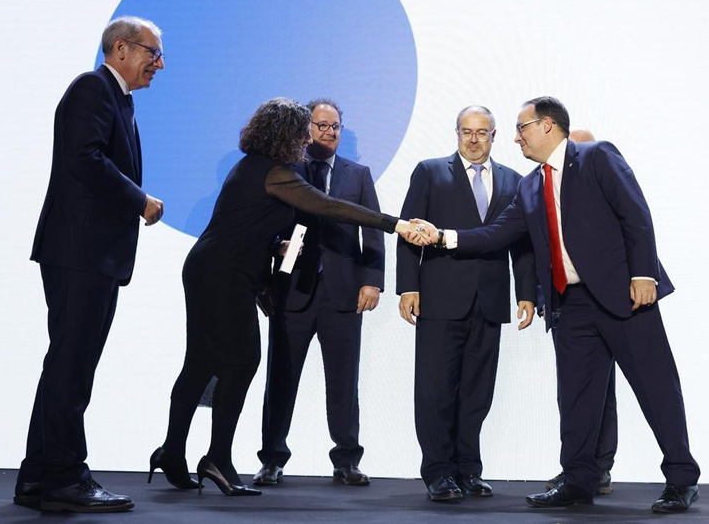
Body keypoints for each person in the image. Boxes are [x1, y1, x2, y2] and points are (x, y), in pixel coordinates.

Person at [410, 97, 701, 513]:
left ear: (547, 126)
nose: (515, 137)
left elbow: (635, 214)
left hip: (626, 295)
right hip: (572, 305)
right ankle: (579, 480)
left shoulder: (597, 156)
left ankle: (681, 478)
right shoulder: (530, 185)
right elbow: (495, 234)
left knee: (656, 388)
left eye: (521, 127)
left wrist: (644, 275)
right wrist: (442, 236)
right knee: (577, 397)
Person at [152, 97, 412, 498]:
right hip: (223, 275)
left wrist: (276, 251)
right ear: (286, 134)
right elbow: (325, 205)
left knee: (202, 363)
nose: (309, 138)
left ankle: (173, 452)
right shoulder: (274, 172)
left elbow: (251, 227)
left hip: (215, 269)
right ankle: (216, 459)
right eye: (302, 130)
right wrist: (395, 224)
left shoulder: (258, 168)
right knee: (242, 363)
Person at [16, 16, 165, 513]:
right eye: (152, 52)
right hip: (80, 252)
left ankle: (38, 477)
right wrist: (140, 199)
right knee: (72, 366)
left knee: (65, 364)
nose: (158, 63)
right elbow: (85, 159)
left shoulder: (116, 97)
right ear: (120, 48)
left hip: (89, 254)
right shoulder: (93, 88)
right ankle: (65, 476)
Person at [396, 106, 537, 501]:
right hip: (439, 299)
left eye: (482, 132)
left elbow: (522, 244)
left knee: (477, 392)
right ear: (456, 134)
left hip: (489, 302)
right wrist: (408, 287)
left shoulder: (514, 180)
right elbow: (409, 232)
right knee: (436, 390)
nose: (473, 140)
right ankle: (439, 472)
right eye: (466, 132)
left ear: (494, 136)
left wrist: (527, 292)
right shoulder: (430, 171)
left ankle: (467, 469)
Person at [253, 99, 383, 487]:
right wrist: (267, 270)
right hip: (292, 291)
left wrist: (372, 280)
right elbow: (264, 228)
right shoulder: (285, 173)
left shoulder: (358, 174)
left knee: (344, 381)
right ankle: (272, 459)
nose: (329, 132)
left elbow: (373, 232)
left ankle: (347, 460)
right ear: (306, 128)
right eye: (321, 125)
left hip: (343, 293)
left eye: (336, 126)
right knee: (281, 380)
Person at [544, 128, 617, 496]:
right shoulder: (543, 189)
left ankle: (600, 468)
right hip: (568, 303)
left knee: (604, 391)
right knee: (573, 390)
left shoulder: (604, 184)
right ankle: (576, 470)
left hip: (609, 299)